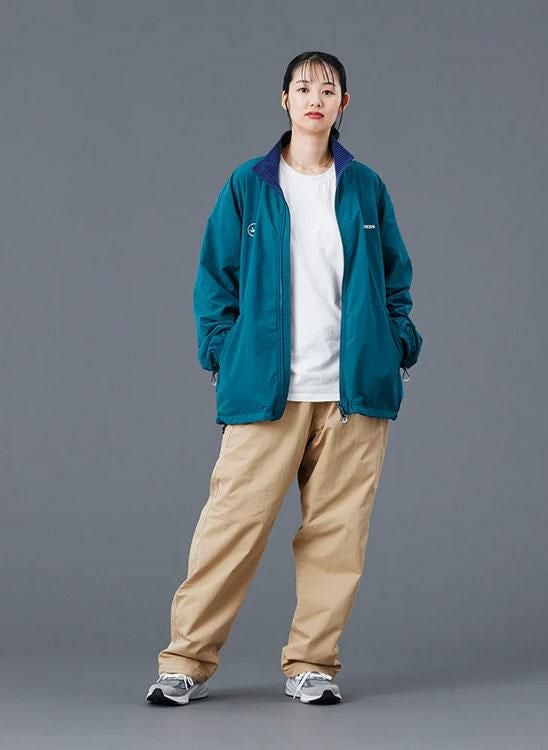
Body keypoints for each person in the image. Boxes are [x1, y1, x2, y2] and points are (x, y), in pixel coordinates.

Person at [145, 50, 423, 707]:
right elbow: (215, 279)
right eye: (303, 87)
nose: (314, 98)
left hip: (354, 395)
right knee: (230, 529)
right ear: (285, 100)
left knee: (336, 538)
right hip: (266, 393)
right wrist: (224, 354)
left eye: (327, 88)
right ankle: (185, 661)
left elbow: (395, 279)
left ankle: (312, 665)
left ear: (343, 104)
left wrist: (397, 346)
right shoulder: (249, 184)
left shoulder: (366, 187)